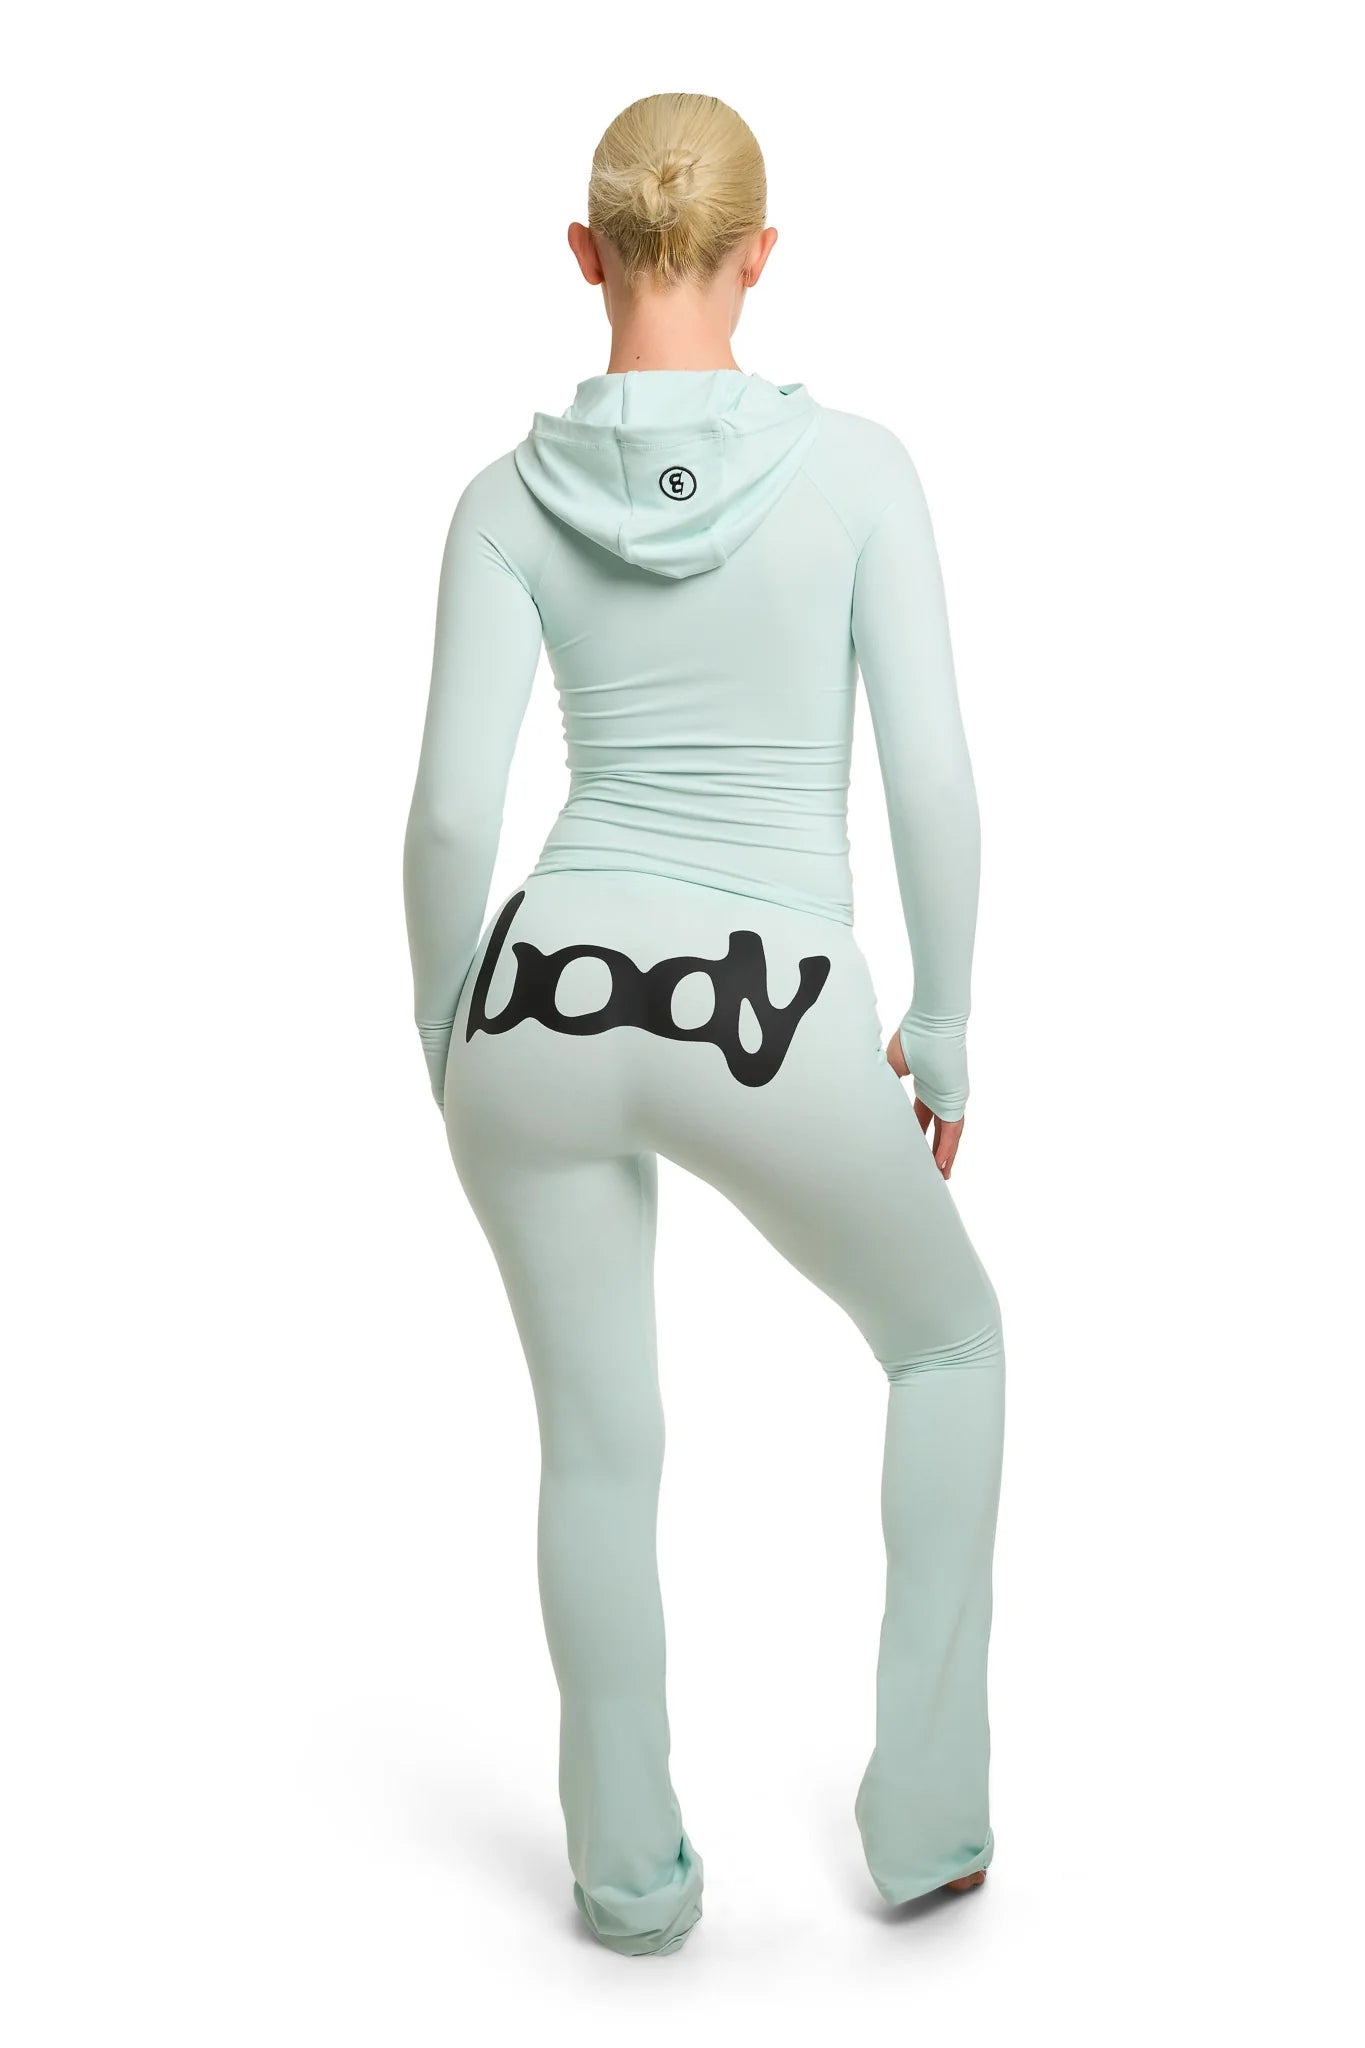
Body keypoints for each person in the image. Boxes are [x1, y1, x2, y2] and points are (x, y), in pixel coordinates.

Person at [403, 91, 1005, 1957]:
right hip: (772, 999)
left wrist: (446, 1029)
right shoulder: (859, 474)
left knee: (597, 1444)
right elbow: (930, 781)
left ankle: (627, 1880)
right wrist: (944, 1026)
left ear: (584, 254)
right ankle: (925, 1824)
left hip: (540, 990)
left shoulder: (499, 504)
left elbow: (448, 819)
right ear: (761, 256)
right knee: (945, 1346)